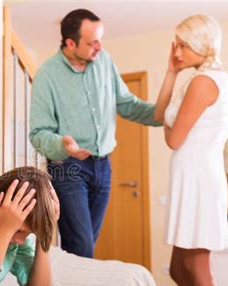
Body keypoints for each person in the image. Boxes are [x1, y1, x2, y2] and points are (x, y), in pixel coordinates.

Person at [29, 8, 161, 258]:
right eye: (92, 42)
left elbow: (127, 104)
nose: (99, 47)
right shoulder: (47, 75)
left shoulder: (104, 61)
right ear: (70, 43)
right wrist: (62, 143)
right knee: (82, 246)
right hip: (68, 167)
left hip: (103, 167)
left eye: (101, 39)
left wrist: (165, 115)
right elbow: (38, 133)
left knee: (85, 246)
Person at [154, 15, 228, 286]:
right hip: (191, 178)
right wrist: (171, 72)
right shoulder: (201, 78)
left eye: (184, 46)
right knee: (178, 268)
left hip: (199, 181)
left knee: (199, 273)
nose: (176, 52)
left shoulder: (204, 81)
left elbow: (174, 139)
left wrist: (170, 123)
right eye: (176, 45)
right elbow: (159, 115)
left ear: (204, 45)